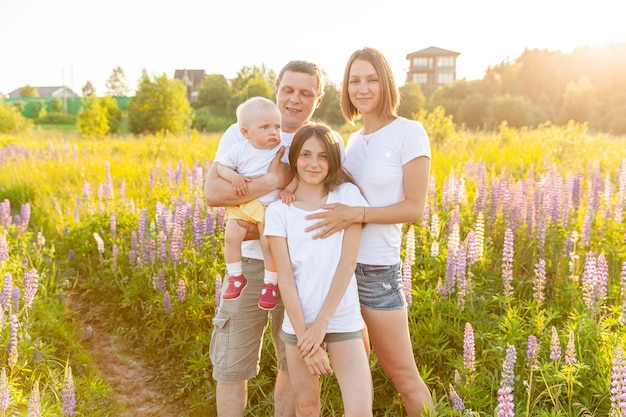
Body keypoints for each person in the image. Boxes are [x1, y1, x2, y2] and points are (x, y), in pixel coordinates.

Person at [205, 60, 344, 417]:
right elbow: (214, 192)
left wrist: (265, 226)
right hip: (251, 263)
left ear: (319, 98)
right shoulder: (244, 130)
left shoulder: (324, 140)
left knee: (291, 365)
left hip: (300, 269)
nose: (295, 99)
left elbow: (324, 209)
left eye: (306, 93)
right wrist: (271, 182)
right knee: (233, 362)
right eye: (288, 90)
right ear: (276, 88)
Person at [304, 47, 434, 416]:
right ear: (346, 88)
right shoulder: (352, 141)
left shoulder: (409, 132)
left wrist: (355, 214)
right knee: (358, 378)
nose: (362, 88)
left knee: (402, 375)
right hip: (340, 272)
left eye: (371, 79)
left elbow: (414, 208)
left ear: (386, 83)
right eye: (355, 80)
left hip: (377, 271)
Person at [265, 123, 372, 417]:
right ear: (295, 158)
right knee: (307, 408)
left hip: (341, 318)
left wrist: (321, 325)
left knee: (361, 411)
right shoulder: (279, 212)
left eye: (323, 156)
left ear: (333, 160)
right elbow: (285, 279)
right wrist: (305, 339)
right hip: (298, 323)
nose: (314, 164)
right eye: (306, 155)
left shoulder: (347, 196)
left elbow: (347, 264)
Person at [216, 96, 297, 310]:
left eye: (277, 127)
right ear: (246, 132)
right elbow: (221, 168)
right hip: (244, 206)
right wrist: (234, 177)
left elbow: (296, 174)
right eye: (265, 127)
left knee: (266, 242)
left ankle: (270, 282)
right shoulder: (240, 149)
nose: (273, 132)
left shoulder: (282, 151)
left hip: (268, 208)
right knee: (231, 236)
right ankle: (236, 276)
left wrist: (288, 189)